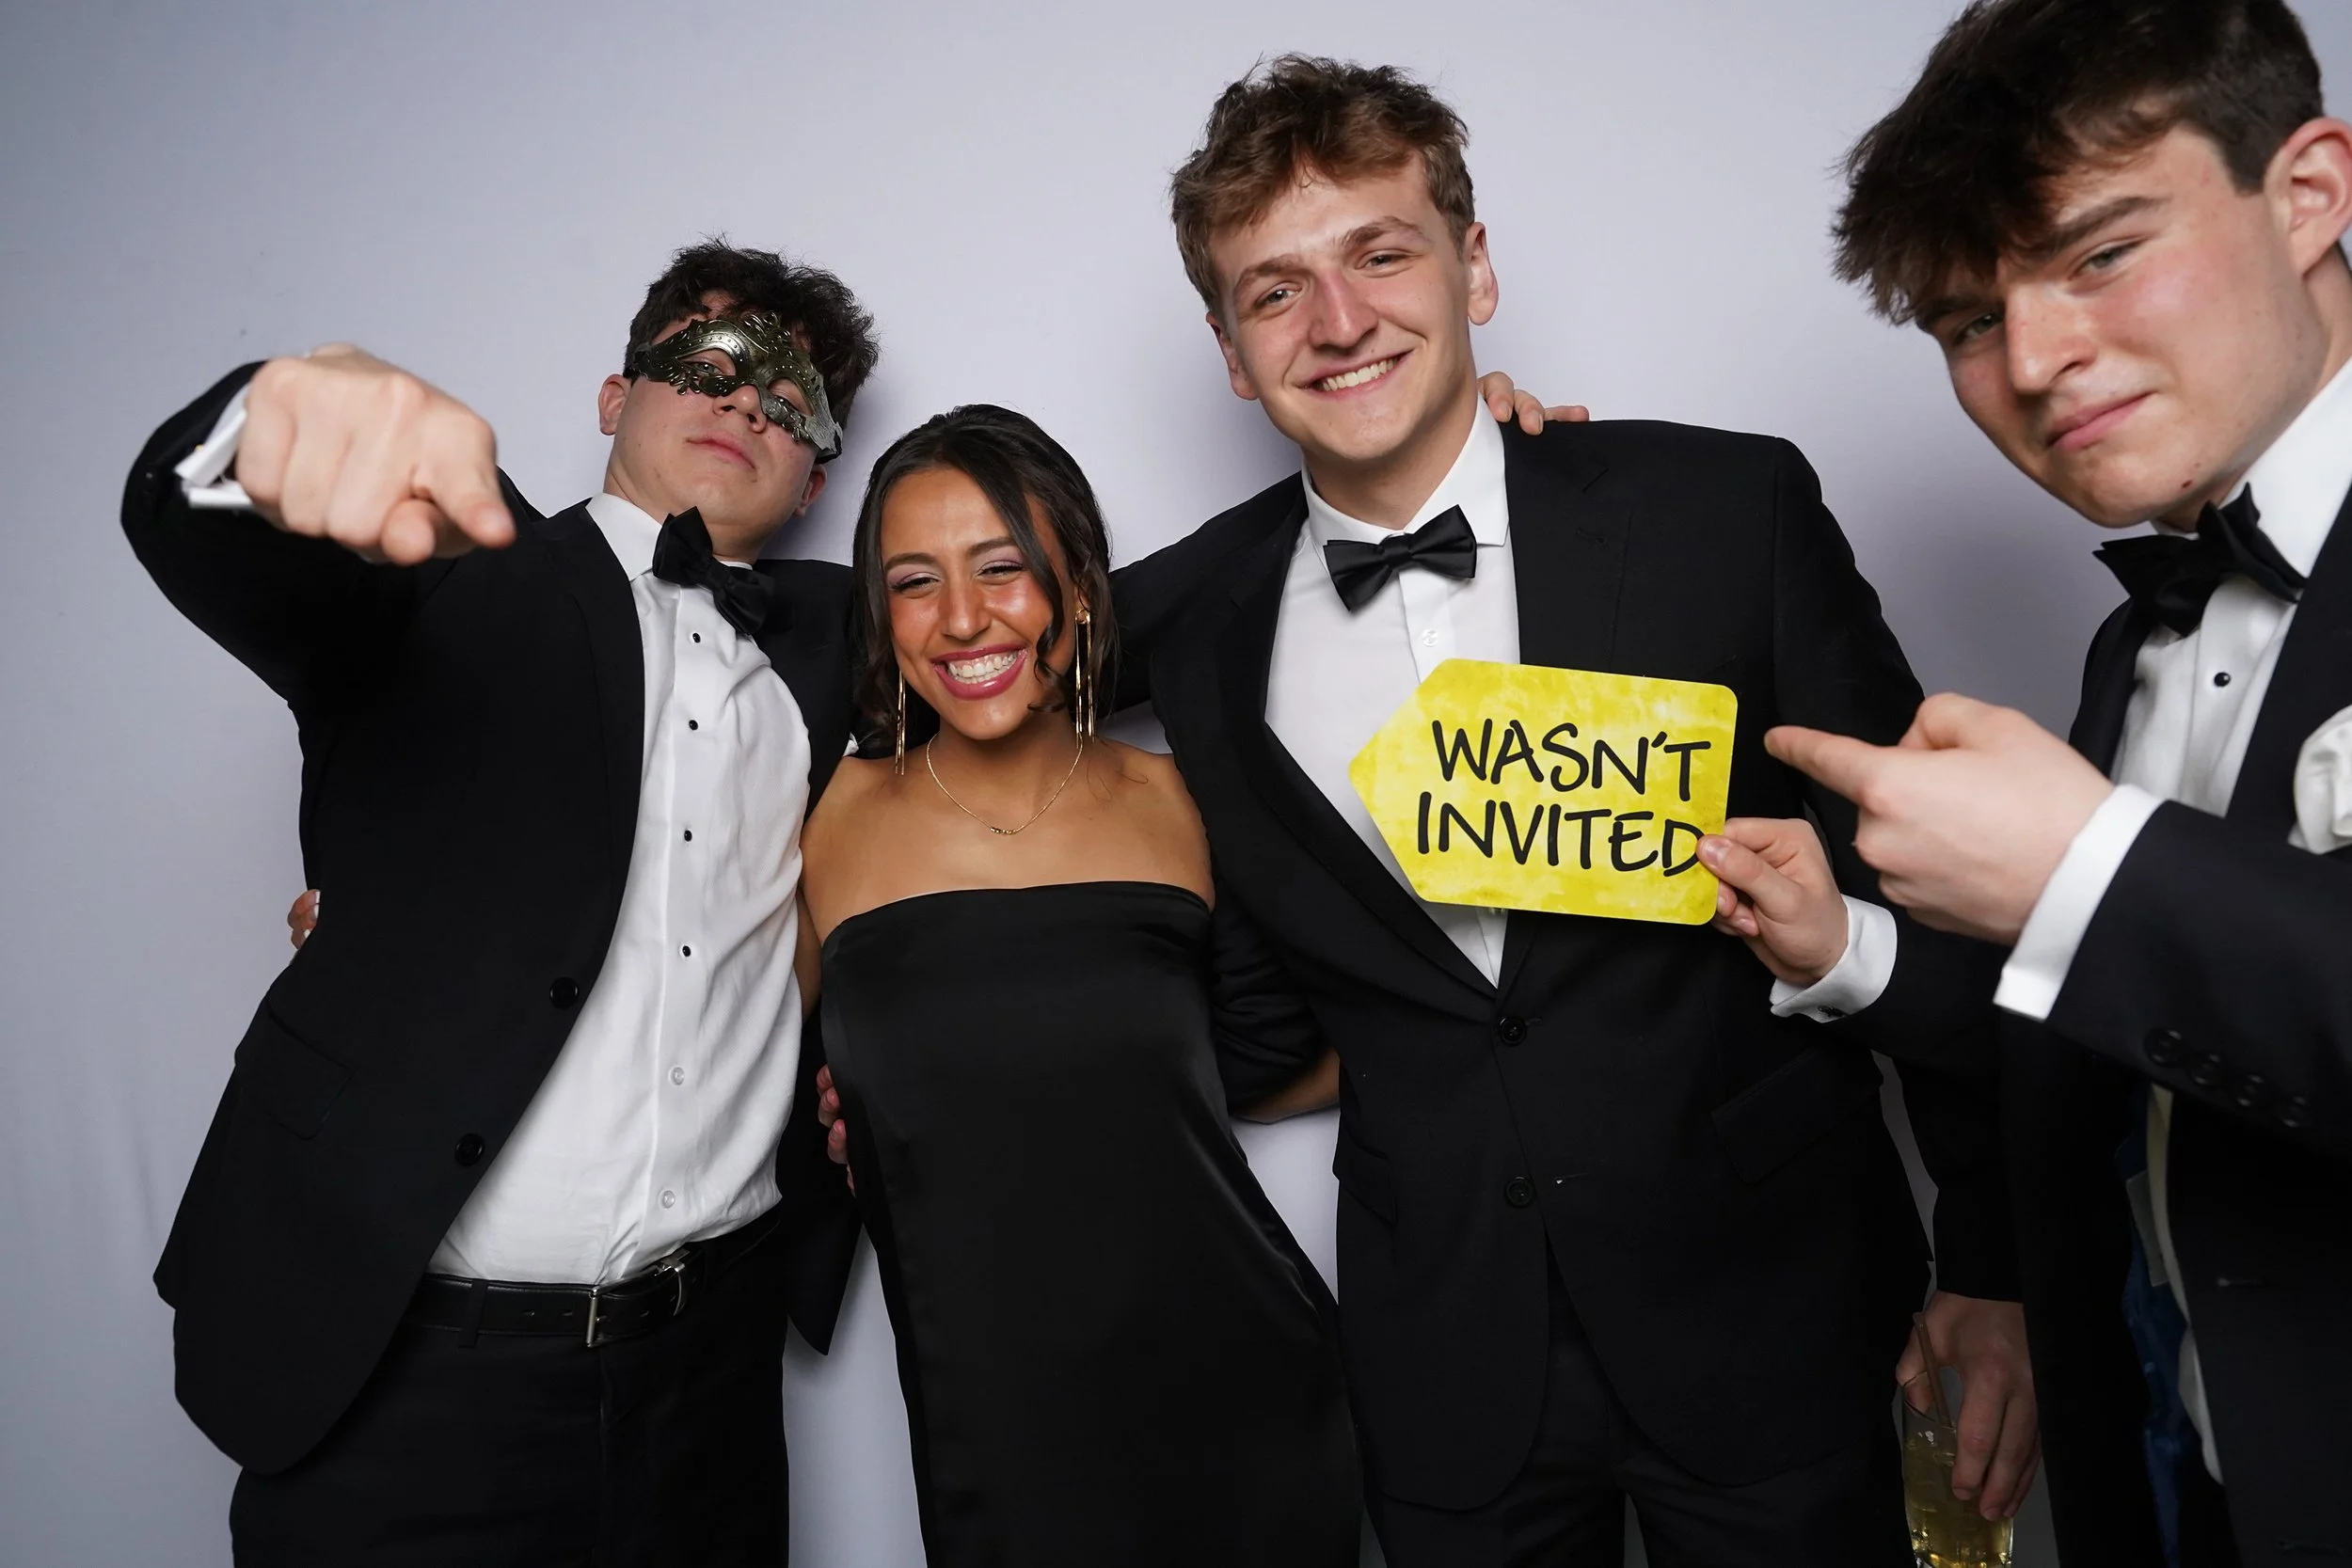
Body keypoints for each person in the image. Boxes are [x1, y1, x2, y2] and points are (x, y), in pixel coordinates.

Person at [1047, 55, 2046, 1567]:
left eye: (1380, 252)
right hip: (1447, 1358)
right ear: (1233, 354)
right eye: (1275, 291)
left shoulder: (1725, 513)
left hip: (1776, 1320)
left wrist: (1996, 1258)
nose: (1337, 321)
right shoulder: (1191, 614)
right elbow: (934, 659)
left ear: (1477, 268)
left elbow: (1933, 895)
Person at [124, 241, 877, 1565]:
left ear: (815, 469)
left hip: (708, 1381)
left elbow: (1050, 617)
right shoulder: (449, 569)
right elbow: (222, 537)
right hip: (403, 1376)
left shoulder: (841, 636)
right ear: (611, 395)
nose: (742, 404)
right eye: (702, 368)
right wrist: (269, 417)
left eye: (785, 401)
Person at [1772, 2, 2352, 1563]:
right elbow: (2126, 1049)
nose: (2032, 360)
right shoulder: (2132, 644)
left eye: (2098, 253)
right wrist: (1997, 1272)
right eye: (1968, 319)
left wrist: (2088, 866)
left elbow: (2123, 911)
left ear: (2308, 192)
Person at [793, 403, 1360, 1566]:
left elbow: (1272, 1063)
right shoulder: (821, 812)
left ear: (1082, 588)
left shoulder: (1185, 796)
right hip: (991, 1426)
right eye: (913, 581)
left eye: (1003, 567)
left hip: (1241, 1388)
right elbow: (692, 1019)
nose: (961, 618)